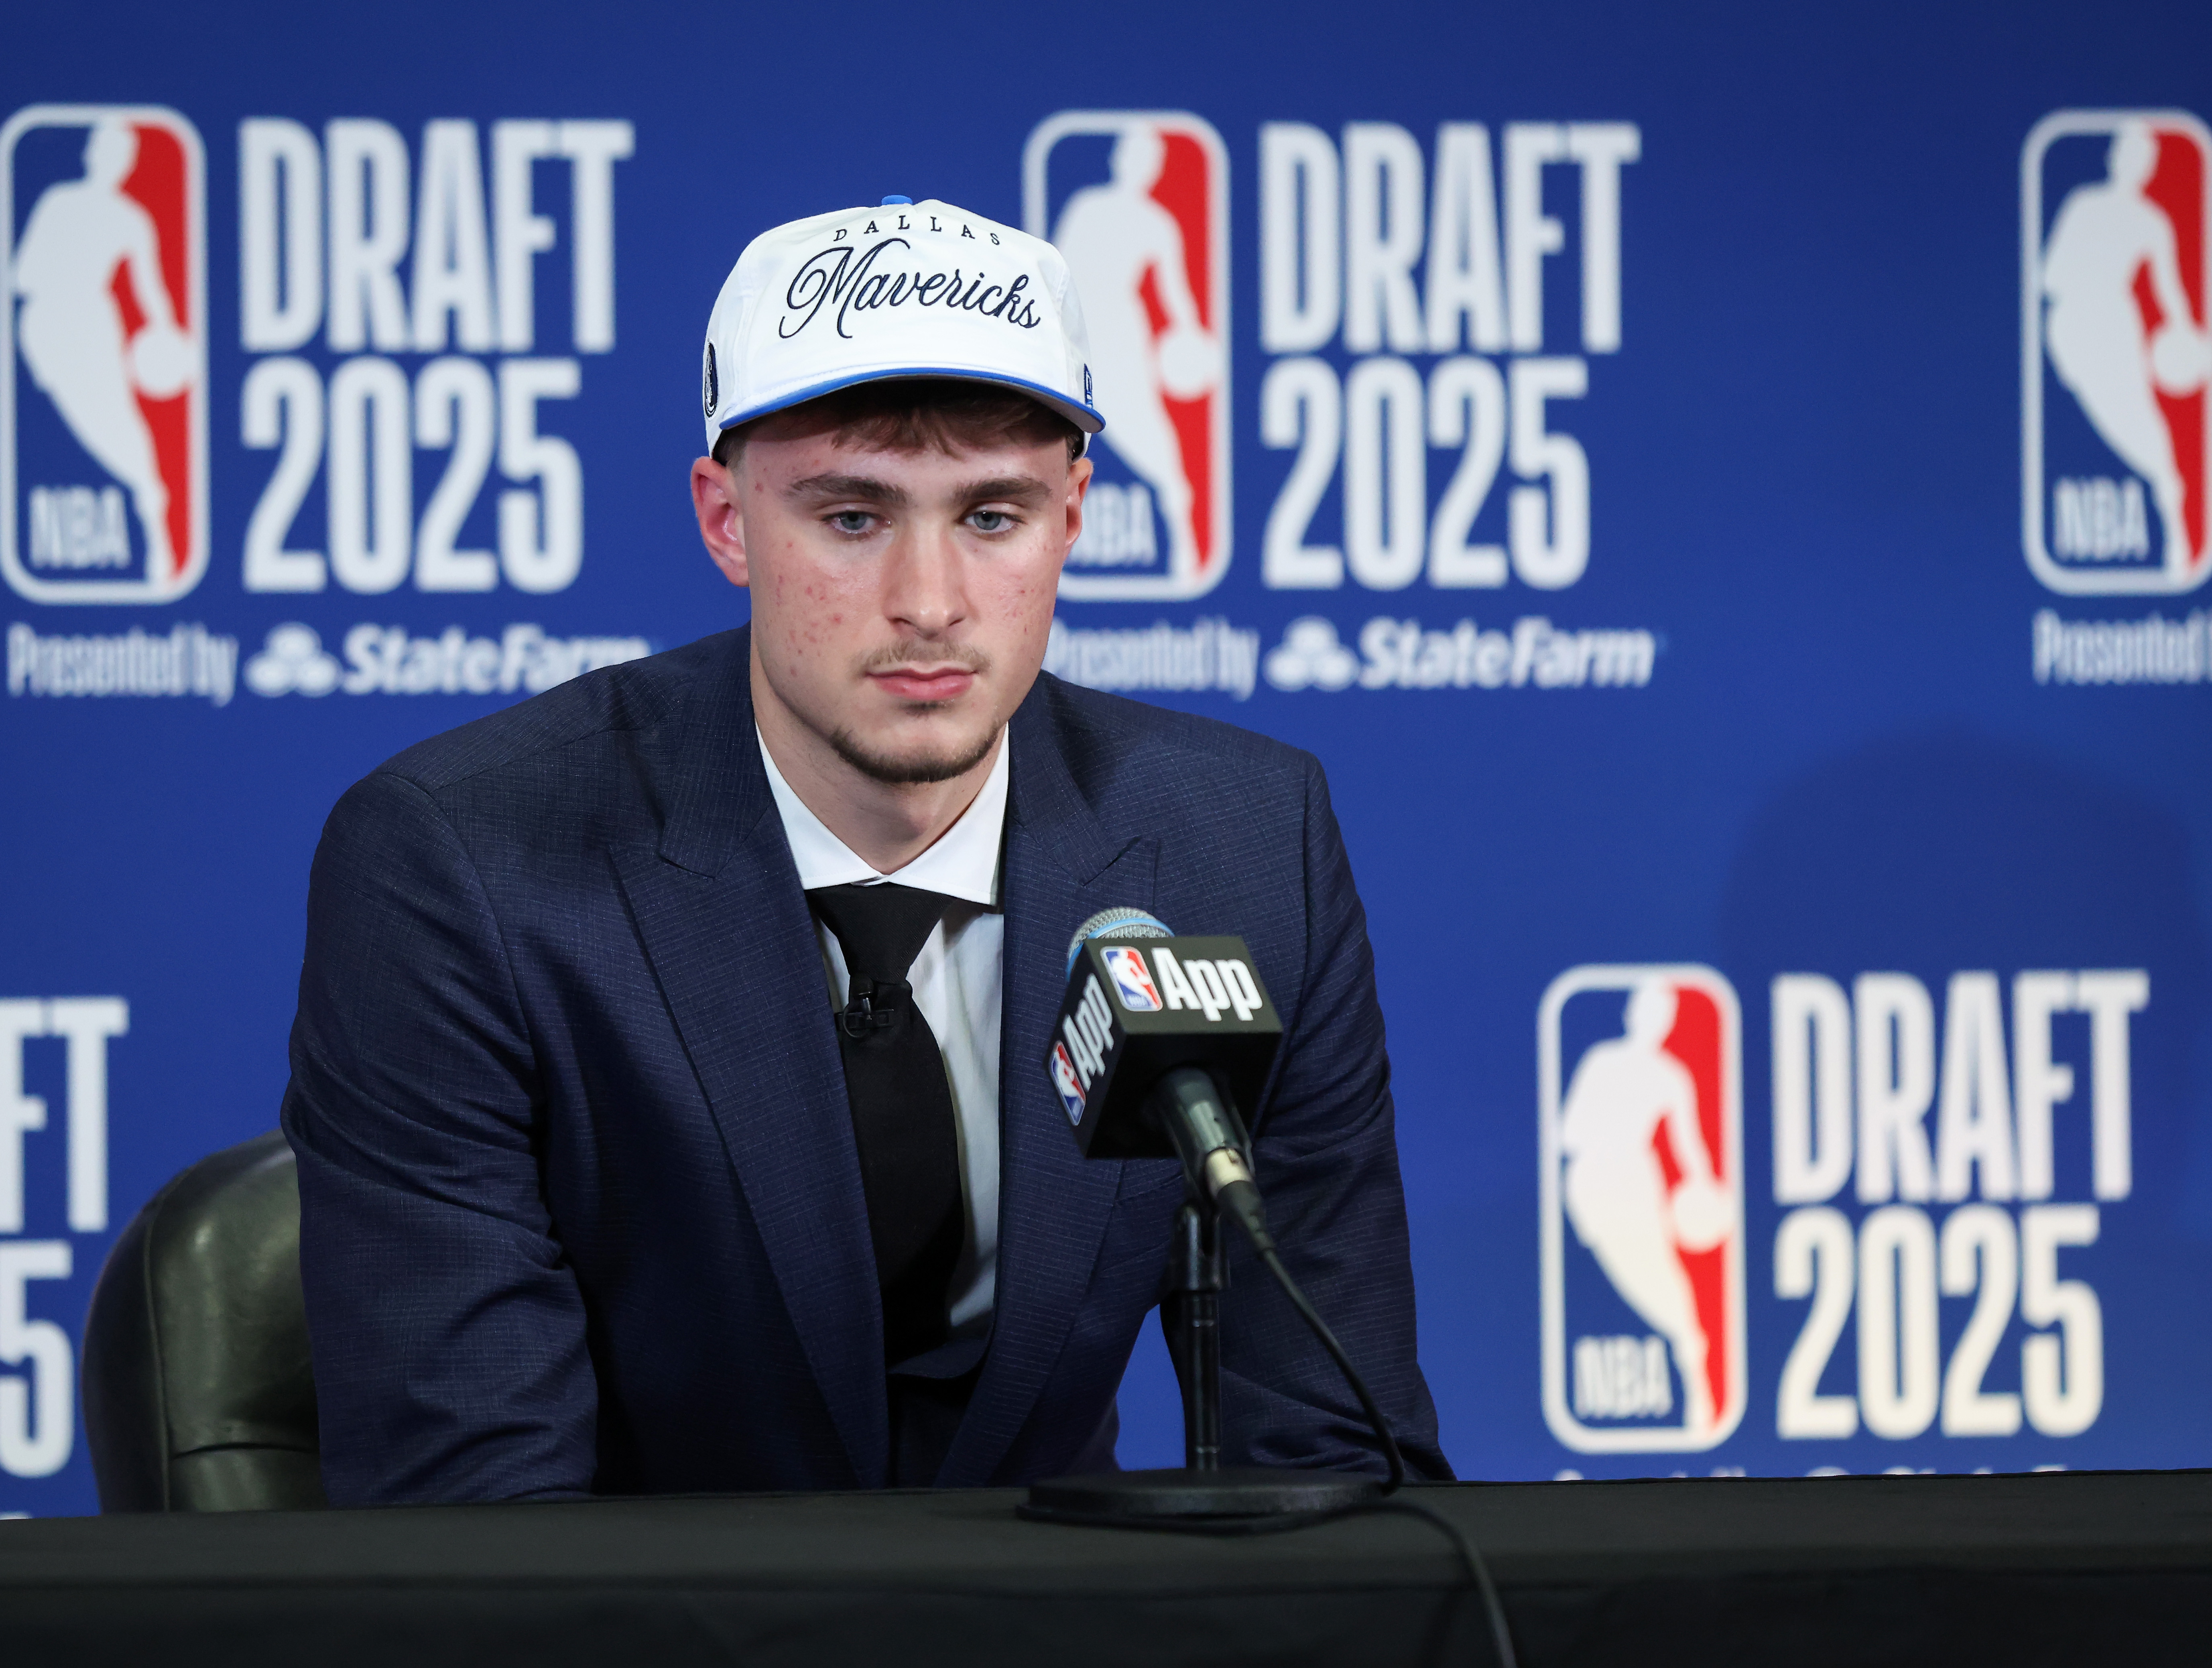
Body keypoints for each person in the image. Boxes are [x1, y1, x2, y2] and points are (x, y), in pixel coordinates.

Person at [284, 195, 1446, 1503]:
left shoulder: (1240, 844)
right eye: (851, 517)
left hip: (1070, 1617)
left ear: (1071, 515)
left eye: (991, 517)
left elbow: (1337, 1456)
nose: (929, 603)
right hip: (646, 1615)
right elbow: (474, 1520)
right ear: (727, 521)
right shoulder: (463, 864)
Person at [12, 118, 189, 584]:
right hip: (45, 328)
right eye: (101, 150)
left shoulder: (133, 220)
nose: (107, 161)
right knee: (65, 425)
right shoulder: (58, 202)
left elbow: (151, 290)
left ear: (127, 164)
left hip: (94, 326)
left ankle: (157, 532)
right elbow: (22, 276)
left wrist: (167, 333)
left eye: (118, 155)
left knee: (125, 430)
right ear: (90, 154)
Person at [1557, 979, 1731, 1435]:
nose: (1654, 1022)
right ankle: (1691, 1357)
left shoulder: (1672, 1076)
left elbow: (1690, 1146)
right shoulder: (1601, 1062)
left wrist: (1704, 1188)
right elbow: (1569, 1133)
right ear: (1632, 1015)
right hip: (1595, 1186)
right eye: (1648, 1012)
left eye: (1662, 1016)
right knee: (1643, 1284)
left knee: (1670, 1288)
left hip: (1638, 1184)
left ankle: (1697, 1384)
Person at [2042, 122, 2212, 580]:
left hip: (2117, 329)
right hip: (2072, 328)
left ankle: (2177, 531)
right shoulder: (2083, 205)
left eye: (2142, 159)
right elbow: (2051, 276)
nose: (2132, 164)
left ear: (2148, 169)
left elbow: (2171, 292)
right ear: (2114, 159)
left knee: (2147, 429)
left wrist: (2186, 336)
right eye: (2127, 154)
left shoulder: (2153, 223)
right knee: (2111, 422)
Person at [1051, 127, 1216, 582]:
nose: (1139, 166)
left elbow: (1176, 295)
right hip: (1076, 340)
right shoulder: (1088, 206)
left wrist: (1191, 335)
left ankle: (1185, 539)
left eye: (1149, 161)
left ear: (1155, 170)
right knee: (1056, 445)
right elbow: (1057, 279)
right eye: (1133, 156)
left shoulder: (1159, 224)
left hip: (1126, 339)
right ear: (1119, 160)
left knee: (1157, 442)